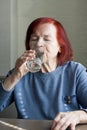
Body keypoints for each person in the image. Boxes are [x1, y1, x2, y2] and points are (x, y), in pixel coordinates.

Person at [0, 17, 87, 130]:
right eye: (34, 39)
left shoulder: (75, 72)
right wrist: (15, 76)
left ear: (60, 47)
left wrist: (77, 116)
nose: (39, 44)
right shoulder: (18, 73)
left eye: (47, 39)